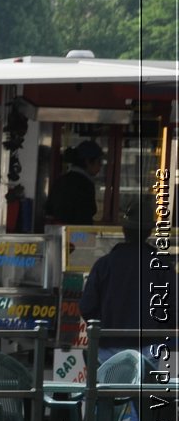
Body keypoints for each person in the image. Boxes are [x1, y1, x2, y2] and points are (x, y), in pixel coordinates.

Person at [81, 191, 174, 364]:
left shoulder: (104, 265)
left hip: (107, 347)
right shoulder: (162, 267)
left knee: (107, 389)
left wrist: (104, 327)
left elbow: (87, 307)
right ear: (149, 232)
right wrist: (158, 330)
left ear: (124, 230)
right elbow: (173, 308)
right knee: (142, 389)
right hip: (148, 346)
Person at [46, 140, 104, 226]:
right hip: (77, 234)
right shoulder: (85, 184)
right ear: (88, 161)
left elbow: (49, 209)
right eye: (99, 162)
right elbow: (87, 213)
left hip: (58, 233)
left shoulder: (61, 180)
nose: (100, 166)